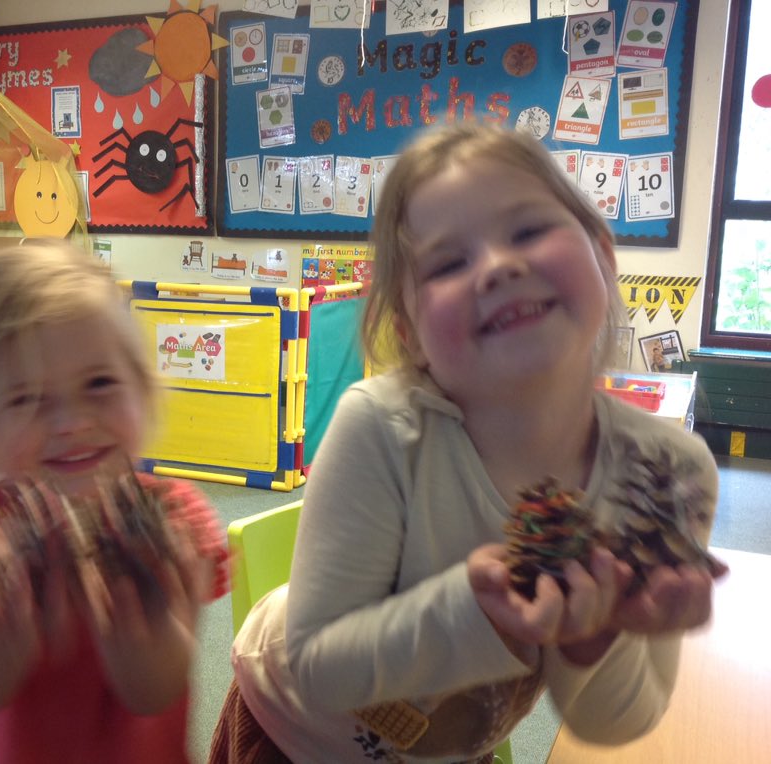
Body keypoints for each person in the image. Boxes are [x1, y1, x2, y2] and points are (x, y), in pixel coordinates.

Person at [209, 125, 725, 764]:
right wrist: (478, 612)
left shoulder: (663, 472)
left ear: (603, 254)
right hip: (295, 731)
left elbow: (618, 722)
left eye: (530, 230)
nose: (500, 266)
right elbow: (319, 666)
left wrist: (597, 637)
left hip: (454, 745)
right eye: (448, 263)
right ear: (410, 331)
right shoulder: (384, 429)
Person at [0, 242, 227, 763]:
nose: (72, 422)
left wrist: (141, 621)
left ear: (141, 390)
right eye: (26, 399)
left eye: (99, 383)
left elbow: (155, 690)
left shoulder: (177, 518)